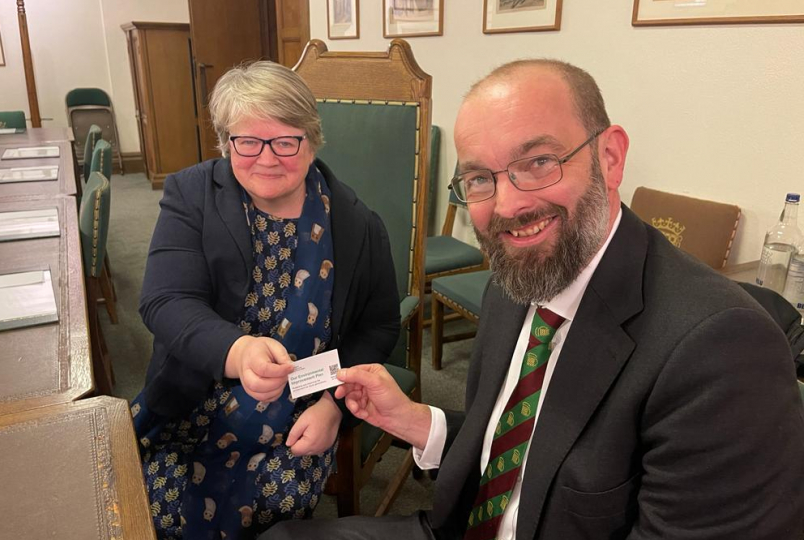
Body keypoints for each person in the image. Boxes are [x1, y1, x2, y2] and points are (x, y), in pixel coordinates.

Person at [262, 60, 804, 539]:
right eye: (479, 178)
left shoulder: (721, 350)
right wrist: (413, 421)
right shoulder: (521, 275)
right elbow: (522, 446)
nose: (507, 206)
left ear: (610, 157)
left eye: (540, 161)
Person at [129, 61, 400, 539]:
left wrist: (333, 407)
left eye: (286, 141)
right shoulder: (192, 194)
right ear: (225, 142)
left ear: (312, 140)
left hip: (303, 407)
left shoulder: (359, 225)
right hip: (193, 398)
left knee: (273, 509)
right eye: (247, 141)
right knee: (152, 508)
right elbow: (165, 299)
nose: (267, 158)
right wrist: (238, 351)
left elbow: (378, 327)